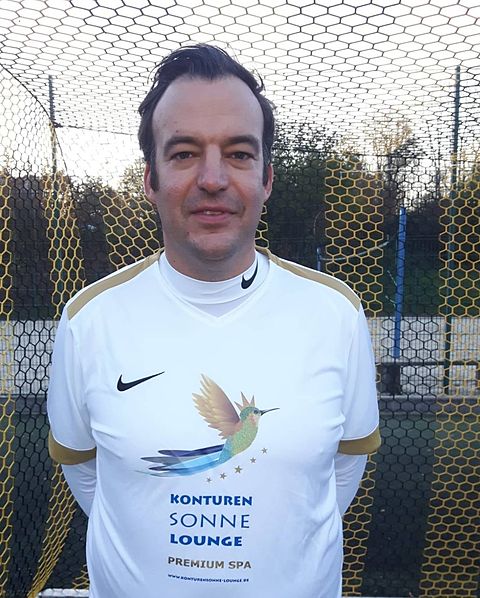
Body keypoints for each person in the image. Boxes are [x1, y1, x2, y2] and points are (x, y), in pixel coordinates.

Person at [47, 44, 380, 598]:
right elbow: (86, 474)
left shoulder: (336, 313)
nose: (212, 178)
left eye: (239, 153)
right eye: (183, 153)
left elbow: (342, 471)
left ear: (267, 178)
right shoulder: (88, 320)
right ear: (150, 178)